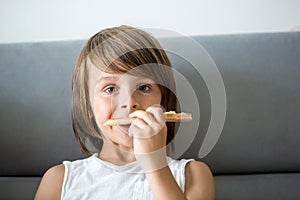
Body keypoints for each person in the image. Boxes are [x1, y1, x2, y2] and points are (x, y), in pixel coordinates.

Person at [35, 25, 214, 200]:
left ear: (163, 101)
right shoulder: (58, 180)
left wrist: (155, 164)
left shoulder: (193, 175)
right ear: (87, 105)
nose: (129, 104)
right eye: (110, 89)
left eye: (143, 87)